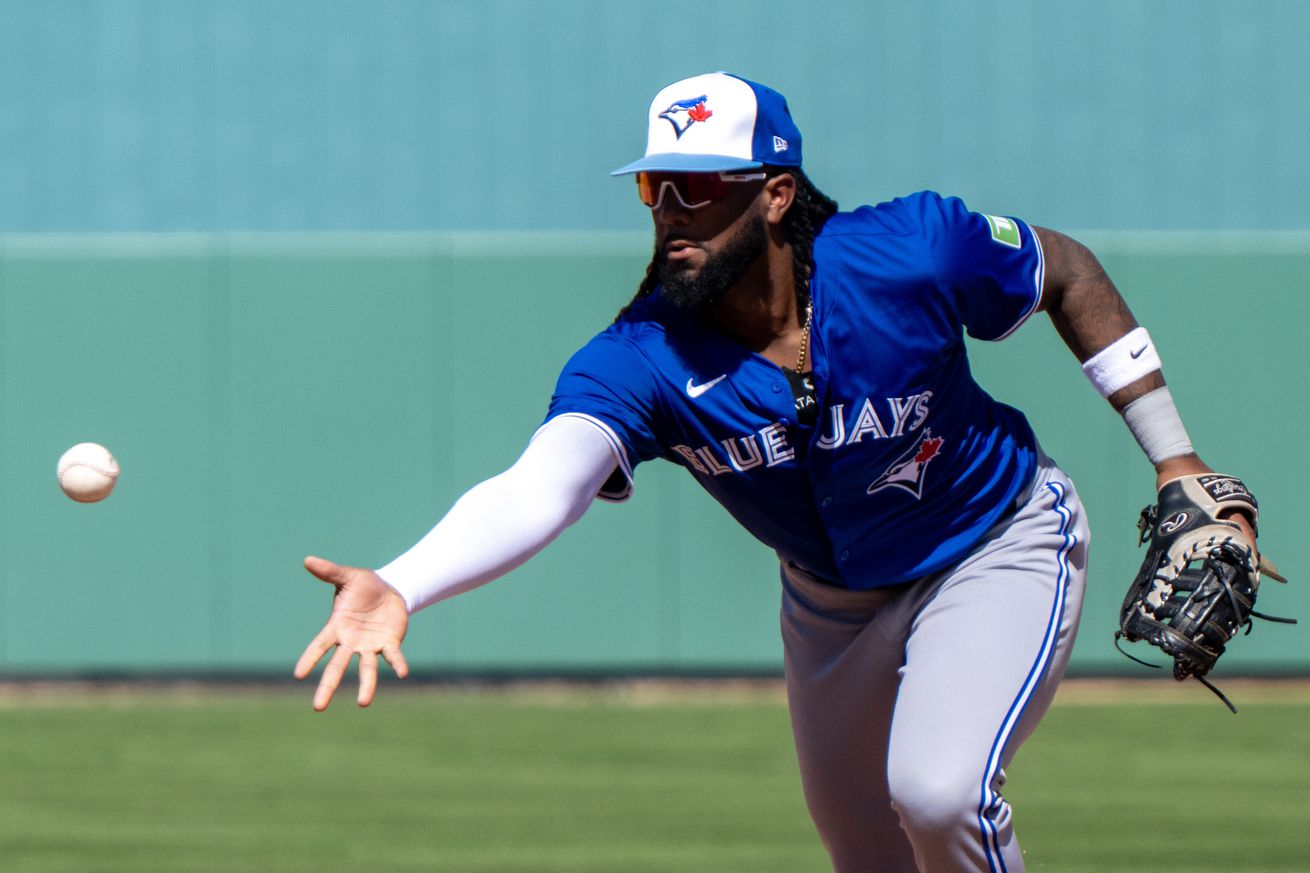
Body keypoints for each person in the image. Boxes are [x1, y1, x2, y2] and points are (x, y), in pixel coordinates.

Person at [294, 72, 1256, 873]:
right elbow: (542, 485)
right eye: (656, 188)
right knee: (870, 856)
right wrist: (404, 581)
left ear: (777, 194)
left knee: (938, 791)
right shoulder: (641, 357)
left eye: (702, 187)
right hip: (831, 605)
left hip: (993, 542)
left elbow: (1067, 271)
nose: (674, 211)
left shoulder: (905, 252)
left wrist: (1175, 458)